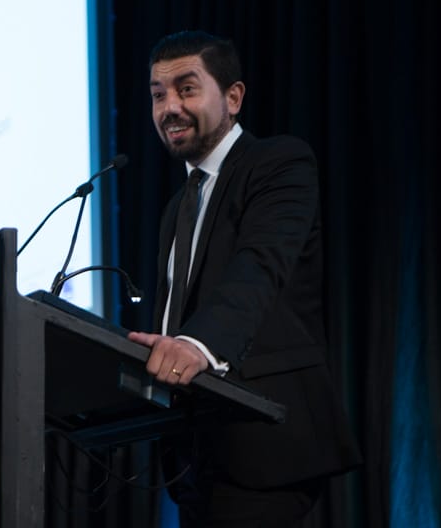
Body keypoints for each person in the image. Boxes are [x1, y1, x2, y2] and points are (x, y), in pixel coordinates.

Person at [127, 30, 361, 527]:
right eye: (158, 95)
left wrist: (197, 345)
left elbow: (260, 265)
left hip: (264, 441)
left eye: (187, 89)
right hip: (193, 455)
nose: (169, 108)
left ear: (233, 98)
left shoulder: (278, 163)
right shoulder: (176, 207)